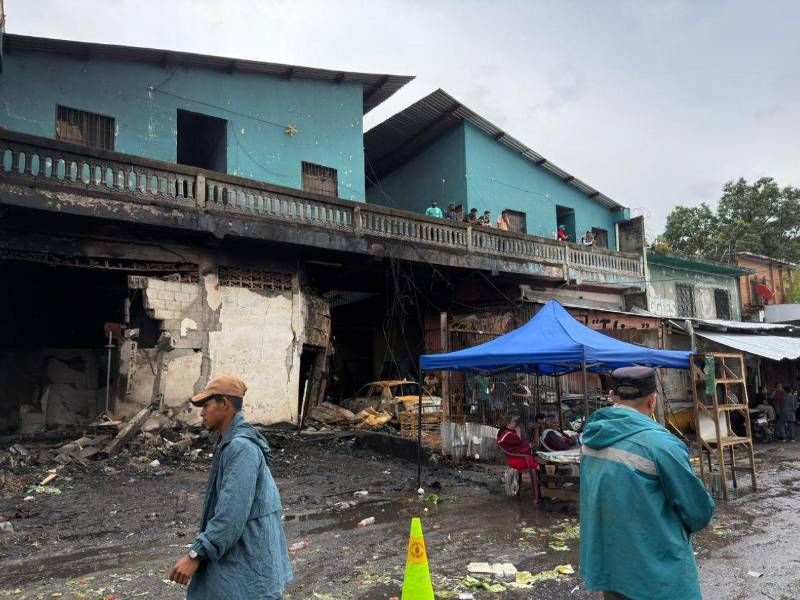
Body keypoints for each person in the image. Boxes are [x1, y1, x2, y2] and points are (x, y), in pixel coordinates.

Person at [580, 366, 715, 600]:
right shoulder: (661, 445)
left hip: (610, 565)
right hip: (655, 575)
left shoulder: (590, 439)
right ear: (653, 400)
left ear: (612, 396)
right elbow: (698, 512)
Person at [170, 375, 292, 599]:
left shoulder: (241, 447)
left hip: (248, 560)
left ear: (224, 404)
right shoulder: (229, 442)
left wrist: (196, 554)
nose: (202, 413)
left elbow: (231, 514)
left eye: (206, 405)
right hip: (242, 556)